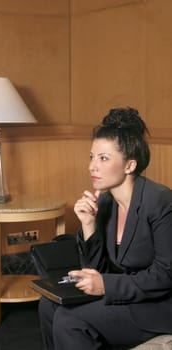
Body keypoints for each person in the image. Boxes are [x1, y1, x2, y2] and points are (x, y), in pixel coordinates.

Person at [38, 107, 172, 349]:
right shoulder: (107, 201)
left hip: (158, 306)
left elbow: (166, 275)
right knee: (48, 305)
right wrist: (88, 225)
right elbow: (98, 269)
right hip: (126, 295)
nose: (92, 166)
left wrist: (106, 286)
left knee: (69, 320)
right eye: (91, 157)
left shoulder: (161, 201)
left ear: (129, 165)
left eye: (103, 158)